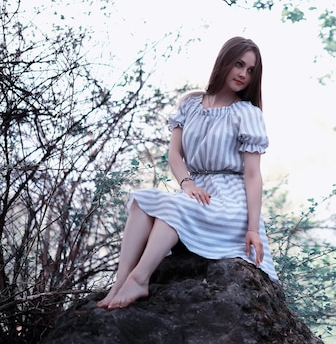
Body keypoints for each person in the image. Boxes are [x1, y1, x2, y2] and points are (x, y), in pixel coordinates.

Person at [97, 36, 278, 310]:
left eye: (251, 70)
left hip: (231, 199)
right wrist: (187, 184)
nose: (243, 74)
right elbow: (175, 155)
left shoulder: (247, 113)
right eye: (239, 64)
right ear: (224, 62)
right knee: (142, 201)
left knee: (178, 206)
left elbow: (253, 175)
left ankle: (140, 279)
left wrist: (252, 228)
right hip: (197, 189)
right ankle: (120, 281)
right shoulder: (191, 104)